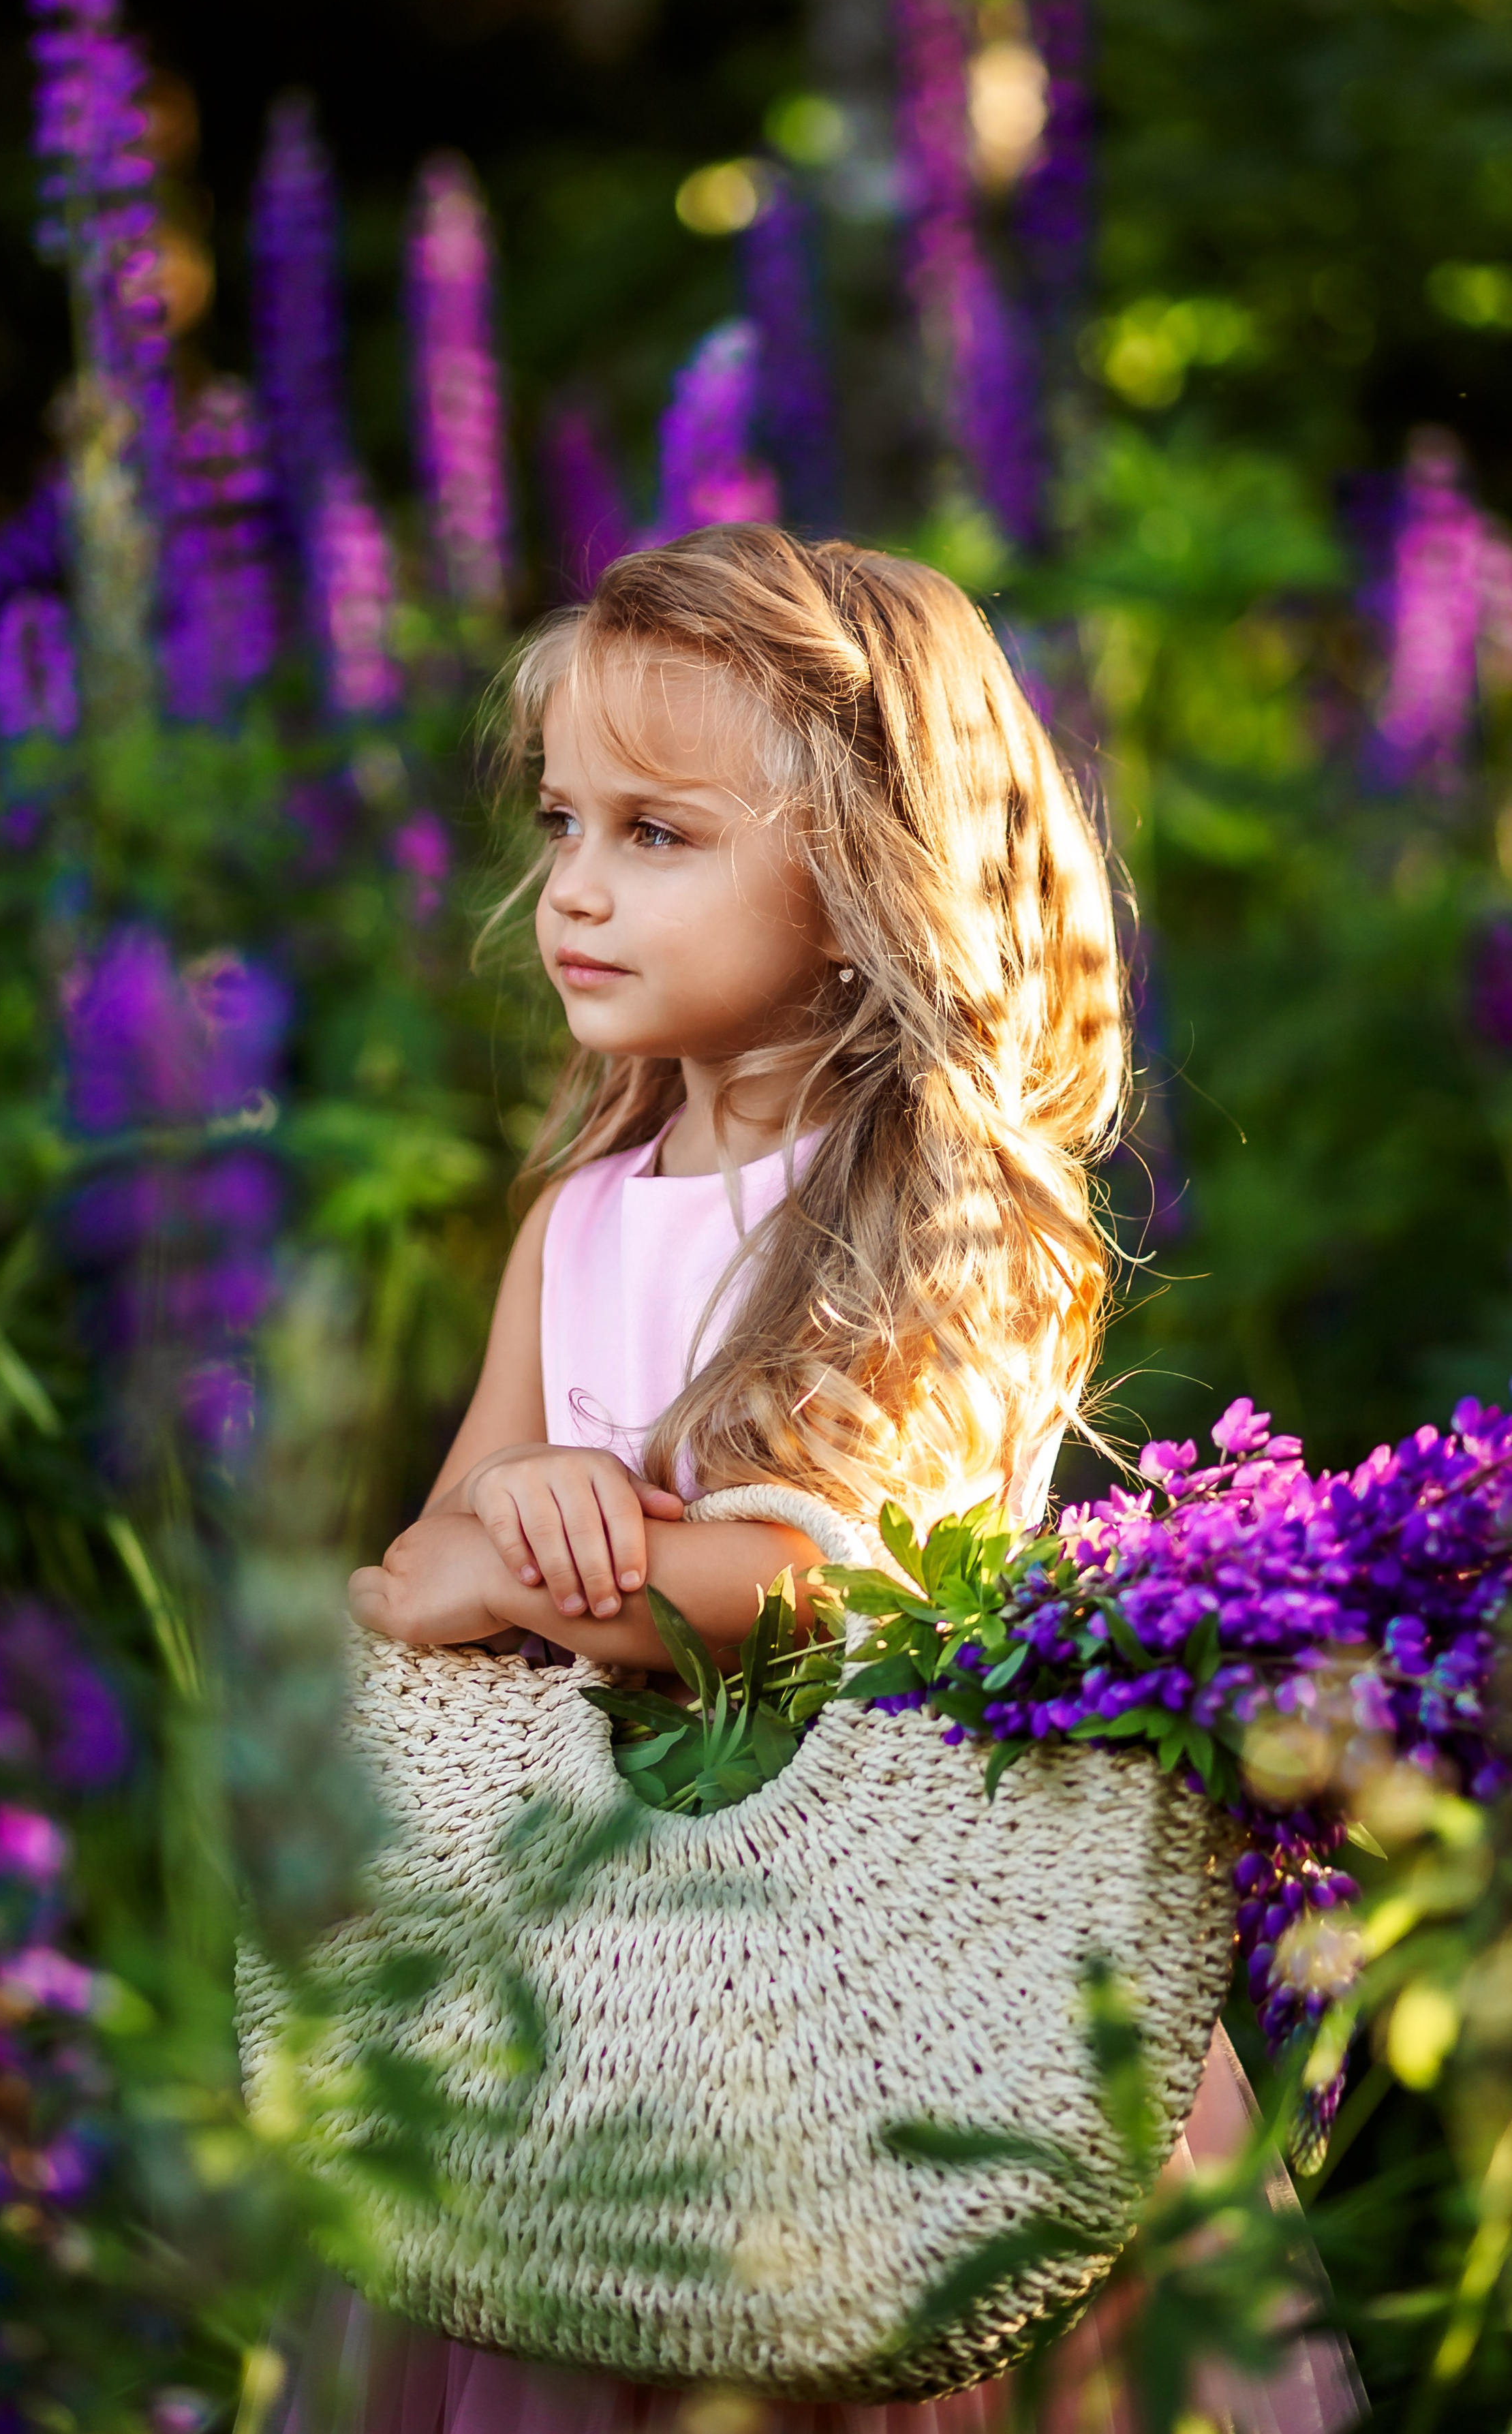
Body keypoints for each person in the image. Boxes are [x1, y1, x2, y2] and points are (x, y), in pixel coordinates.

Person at [326, 526, 1360, 2434]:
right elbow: (410, 1580)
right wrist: (497, 1527)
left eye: (660, 834)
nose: (574, 890)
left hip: (895, 1992)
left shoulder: (949, 1212)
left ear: (866, 870)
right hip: (612, 1986)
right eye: (565, 824)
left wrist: (557, 1551)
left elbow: (815, 1587)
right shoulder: (577, 1221)